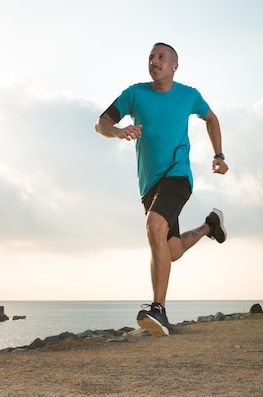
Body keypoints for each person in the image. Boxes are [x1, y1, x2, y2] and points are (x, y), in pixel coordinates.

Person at [94, 42, 229, 336]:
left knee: (154, 225)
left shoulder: (189, 95)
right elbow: (101, 123)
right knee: (172, 250)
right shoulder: (134, 94)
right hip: (149, 184)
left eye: (161, 57)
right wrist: (118, 131)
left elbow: (211, 118)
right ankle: (210, 226)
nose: (154, 61)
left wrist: (218, 155)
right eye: (151, 57)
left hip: (177, 176)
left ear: (174, 66)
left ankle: (159, 310)